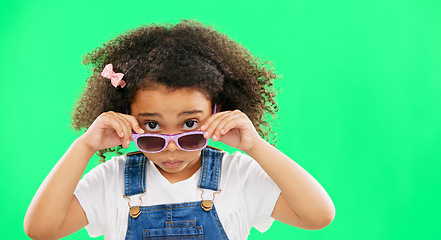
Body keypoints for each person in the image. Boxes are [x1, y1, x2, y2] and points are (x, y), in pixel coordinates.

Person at [24, 20, 335, 240]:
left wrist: (255, 146)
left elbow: (318, 216)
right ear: (126, 118)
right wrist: (85, 147)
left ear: (217, 112)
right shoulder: (113, 179)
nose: (171, 146)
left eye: (189, 126)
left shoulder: (238, 175)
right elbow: (41, 230)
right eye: (152, 126)